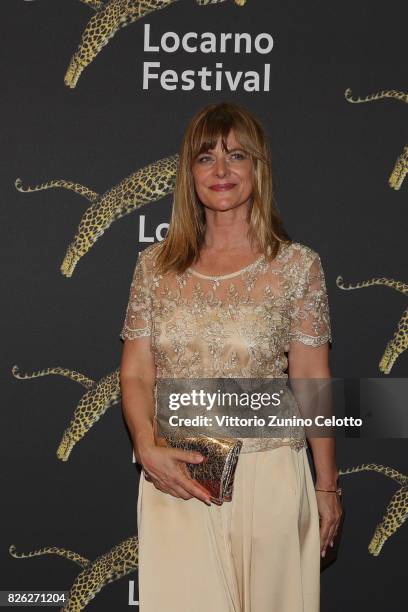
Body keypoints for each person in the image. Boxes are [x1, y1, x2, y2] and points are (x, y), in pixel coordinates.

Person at [119, 101, 342, 612]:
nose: (220, 170)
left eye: (236, 155)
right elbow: (134, 372)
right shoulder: (153, 267)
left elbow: (312, 379)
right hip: (178, 481)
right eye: (205, 158)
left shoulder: (298, 267)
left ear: (257, 169)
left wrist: (327, 487)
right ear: (189, 173)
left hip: (272, 480)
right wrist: (146, 446)